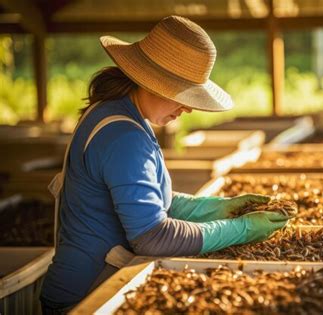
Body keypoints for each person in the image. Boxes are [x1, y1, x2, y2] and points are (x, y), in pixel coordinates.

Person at [40, 15, 291, 313]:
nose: (186, 107)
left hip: (91, 283)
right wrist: (240, 229)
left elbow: (151, 201)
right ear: (152, 82)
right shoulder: (123, 137)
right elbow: (153, 237)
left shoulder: (118, 112)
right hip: (88, 297)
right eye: (181, 95)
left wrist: (218, 207)